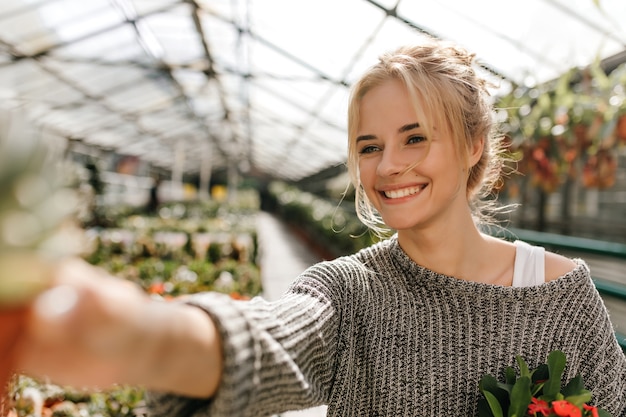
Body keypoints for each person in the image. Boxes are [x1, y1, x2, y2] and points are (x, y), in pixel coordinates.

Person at [12, 38, 626, 416]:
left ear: (472, 145)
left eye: (415, 137)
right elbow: (270, 342)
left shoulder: (560, 296)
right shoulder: (347, 293)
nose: (388, 166)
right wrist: (140, 335)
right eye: (368, 146)